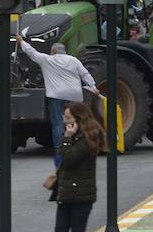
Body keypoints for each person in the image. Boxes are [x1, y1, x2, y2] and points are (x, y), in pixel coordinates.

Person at [43, 101, 127, 232]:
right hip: (66, 193)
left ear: (78, 120)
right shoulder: (77, 136)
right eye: (65, 118)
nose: (65, 122)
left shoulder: (89, 138)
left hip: (81, 196)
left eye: (68, 119)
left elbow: (70, 159)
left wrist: (66, 138)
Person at [18, 34, 99, 170]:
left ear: (53, 52)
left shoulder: (47, 59)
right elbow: (85, 74)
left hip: (56, 96)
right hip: (74, 97)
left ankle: (60, 159)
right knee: (77, 124)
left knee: (58, 125)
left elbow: (32, 52)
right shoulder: (73, 60)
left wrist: (21, 42)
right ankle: (79, 153)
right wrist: (93, 87)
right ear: (64, 51)